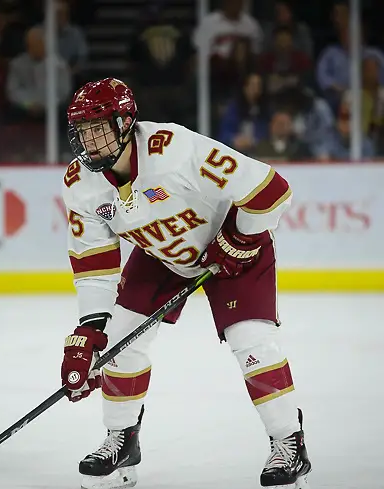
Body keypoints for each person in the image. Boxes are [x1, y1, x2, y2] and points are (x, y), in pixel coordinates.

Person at [60, 78, 312, 489]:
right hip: (162, 256)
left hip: (233, 249)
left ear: (125, 122)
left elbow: (272, 190)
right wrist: (90, 331)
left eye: (98, 128)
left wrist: (241, 237)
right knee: (121, 344)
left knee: (251, 341)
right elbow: (93, 262)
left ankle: (289, 443)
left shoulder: (173, 150)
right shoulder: (79, 185)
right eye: (82, 131)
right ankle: (121, 442)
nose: (89, 141)